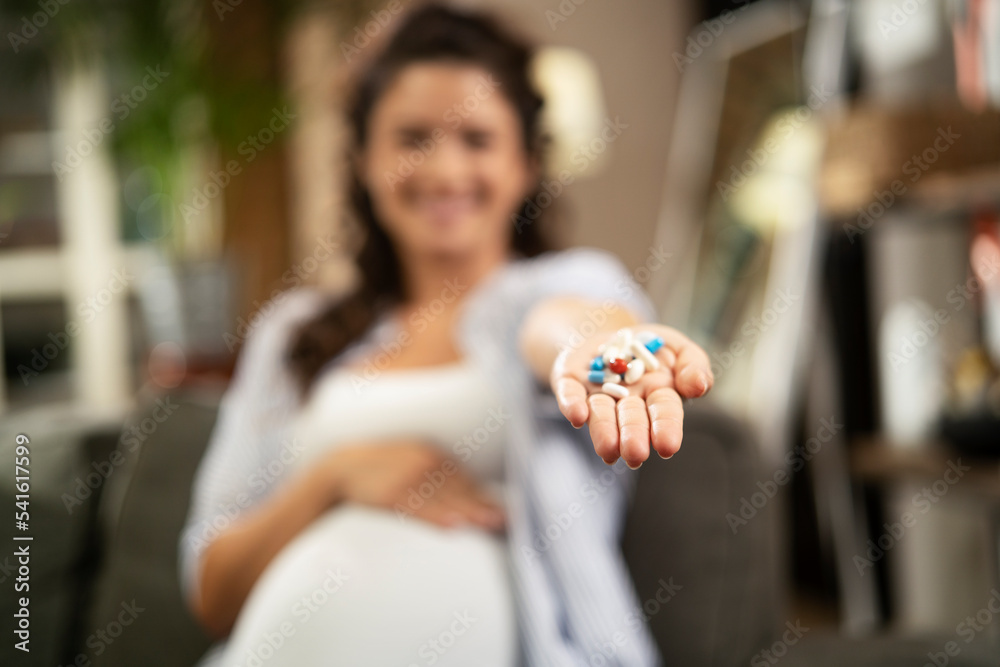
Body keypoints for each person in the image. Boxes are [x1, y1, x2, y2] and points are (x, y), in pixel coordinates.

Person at [178, 4, 713, 666]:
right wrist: (334, 477)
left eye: (477, 139)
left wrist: (598, 354)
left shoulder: (555, 291)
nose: (444, 169)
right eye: (412, 137)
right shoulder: (289, 333)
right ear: (365, 161)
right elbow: (212, 590)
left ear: (524, 164)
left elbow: (568, 326)